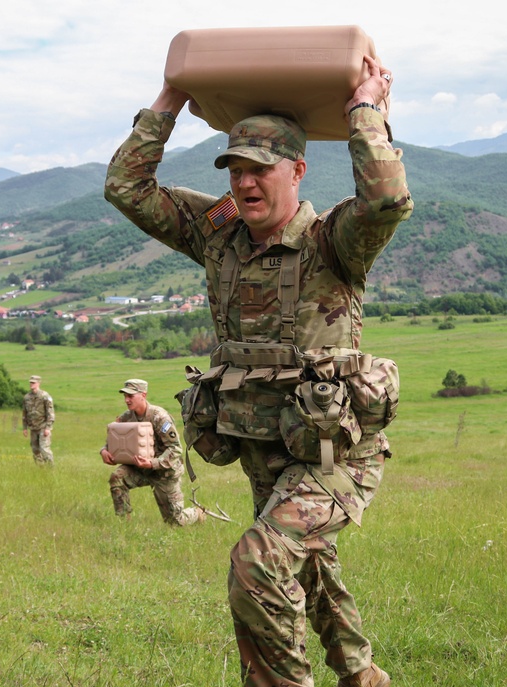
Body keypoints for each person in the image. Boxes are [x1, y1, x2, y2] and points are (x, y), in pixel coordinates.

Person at [104, 56, 412, 687]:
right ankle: (362, 677)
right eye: (235, 170)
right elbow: (126, 189)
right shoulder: (216, 235)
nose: (244, 184)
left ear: (297, 170)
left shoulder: (335, 241)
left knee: (257, 563)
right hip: (264, 446)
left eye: (259, 170)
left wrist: (365, 111)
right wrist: (169, 98)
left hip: (334, 453)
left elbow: (386, 199)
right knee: (307, 568)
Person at [100, 378, 204, 526]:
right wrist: (104, 451)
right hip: (140, 469)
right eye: (125, 396)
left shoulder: (159, 417)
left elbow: (175, 449)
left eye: (131, 396)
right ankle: (124, 524)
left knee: (174, 522)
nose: (127, 400)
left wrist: (152, 463)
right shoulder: (126, 418)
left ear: (143, 395)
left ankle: (197, 513)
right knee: (117, 478)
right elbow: (112, 442)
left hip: (164, 473)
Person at [21, 375, 54, 465]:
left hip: (43, 427)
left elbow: (50, 413)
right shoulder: (27, 397)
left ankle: (51, 468)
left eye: (33, 382)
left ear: (38, 383)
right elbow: (25, 413)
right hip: (33, 428)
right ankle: (41, 468)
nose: (31, 384)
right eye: (30, 382)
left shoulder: (45, 396)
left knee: (44, 448)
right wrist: (24, 427)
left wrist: (48, 428)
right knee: (35, 450)